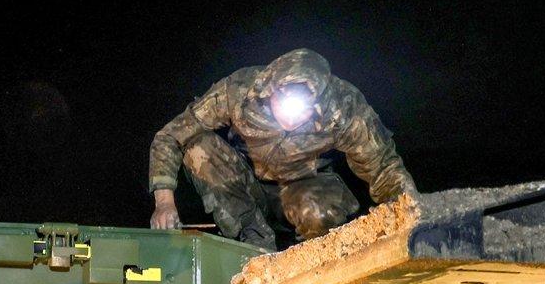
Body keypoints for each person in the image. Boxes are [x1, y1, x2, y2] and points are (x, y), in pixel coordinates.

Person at [148, 48, 416, 249]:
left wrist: (410, 213)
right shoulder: (240, 90)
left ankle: (313, 254)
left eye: (305, 108)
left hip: (302, 186)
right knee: (197, 146)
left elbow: (383, 167)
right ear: (269, 90)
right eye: (284, 101)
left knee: (317, 208)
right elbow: (171, 135)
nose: (293, 116)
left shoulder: (343, 106)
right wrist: (164, 203)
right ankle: (254, 240)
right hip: (246, 189)